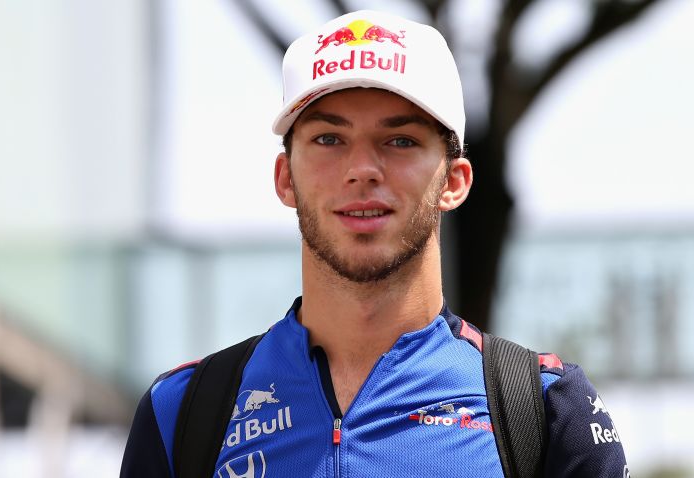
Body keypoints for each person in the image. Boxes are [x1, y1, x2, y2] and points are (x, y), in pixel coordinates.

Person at [120, 9, 629, 478]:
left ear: (454, 181)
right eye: (328, 139)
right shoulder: (183, 412)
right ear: (285, 178)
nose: (362, 169)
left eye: (401, 140)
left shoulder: (544, 410)